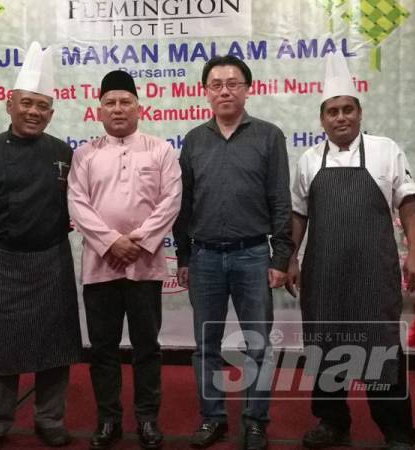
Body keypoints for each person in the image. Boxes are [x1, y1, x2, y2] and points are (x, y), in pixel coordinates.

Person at [286, 51, 415, 450]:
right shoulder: (309, 160)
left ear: (359, 113)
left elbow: (409, 206)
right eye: (332, 111)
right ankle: (333, 422)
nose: (340, 117)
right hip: (324, 275)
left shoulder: (386, 150)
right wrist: (291, 258)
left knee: (381, 351)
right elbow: (298, 216)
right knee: (326, 349)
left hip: (373, 272)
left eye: (348, 109)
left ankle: (397, 430)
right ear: (322, 118)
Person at [0, 42, 82, 450]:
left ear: (51, 112)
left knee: (56, 344)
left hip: (51, 258)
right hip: (3, 260)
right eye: (27, 103)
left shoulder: (62, 152)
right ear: (9, 104)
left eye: (43, 106)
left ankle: (49, 419)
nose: (34, 112)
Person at [172, 55, 293, 450]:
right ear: (205, 91)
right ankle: (213, 418)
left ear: (247, 88)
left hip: (253, 255)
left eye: (233, 83)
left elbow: (279, 201)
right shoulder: (193, 139)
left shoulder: (269, 136)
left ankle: (255, 421)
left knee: (257, 345)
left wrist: (280, 258)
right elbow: (183, 204)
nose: (225, 90)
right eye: (217, 84)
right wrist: (185, 256)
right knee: (206, 345)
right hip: (204, 258)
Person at [67, 70, 181, 450]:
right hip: (100, 267)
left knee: (147, 346)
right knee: (103, 348)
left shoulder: (160, 150)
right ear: (98, 110)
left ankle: (147, 418)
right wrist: (112, 241)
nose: (118, 109)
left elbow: (171, 201)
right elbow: (77, 204)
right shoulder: (84, 154)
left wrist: (141, 240)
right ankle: (108, 420)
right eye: (110, 103)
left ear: (139, 107)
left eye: (125, 102)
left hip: (145, 266)